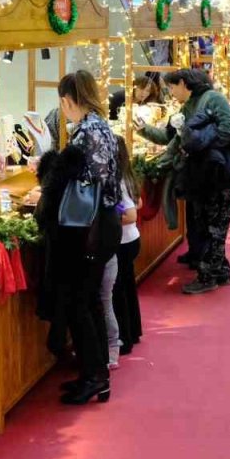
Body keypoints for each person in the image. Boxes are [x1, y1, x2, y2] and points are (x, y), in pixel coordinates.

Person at [36, 70, 121, 405]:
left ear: (68, 100)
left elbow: (68, 184)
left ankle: (94, 376)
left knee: (79, 305)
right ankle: (96, 375)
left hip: (86, 229)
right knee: (88, 303)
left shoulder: (85, 132)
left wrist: (49, 170)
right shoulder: (101, 126)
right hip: (102, 224)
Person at [143, 69, 230, 294]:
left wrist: (198, 144)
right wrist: (143, 129)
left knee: (213, 226)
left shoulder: (212, 99)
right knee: (209, 225)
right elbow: (171, 137)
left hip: (217, 174)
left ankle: (209, 275)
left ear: (183, 83)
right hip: (205, 174)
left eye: (171, 87)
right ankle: (220, 270)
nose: (170, 92)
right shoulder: (188, 106)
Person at [99, 138, 143, 368]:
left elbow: (132, 214)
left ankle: (124, 338)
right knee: (126, 288)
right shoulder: (127, 175)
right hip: (131, 239)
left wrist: (107, 219)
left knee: (118, 292)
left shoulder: (118, 181)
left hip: (123, 241)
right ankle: (133, 330)